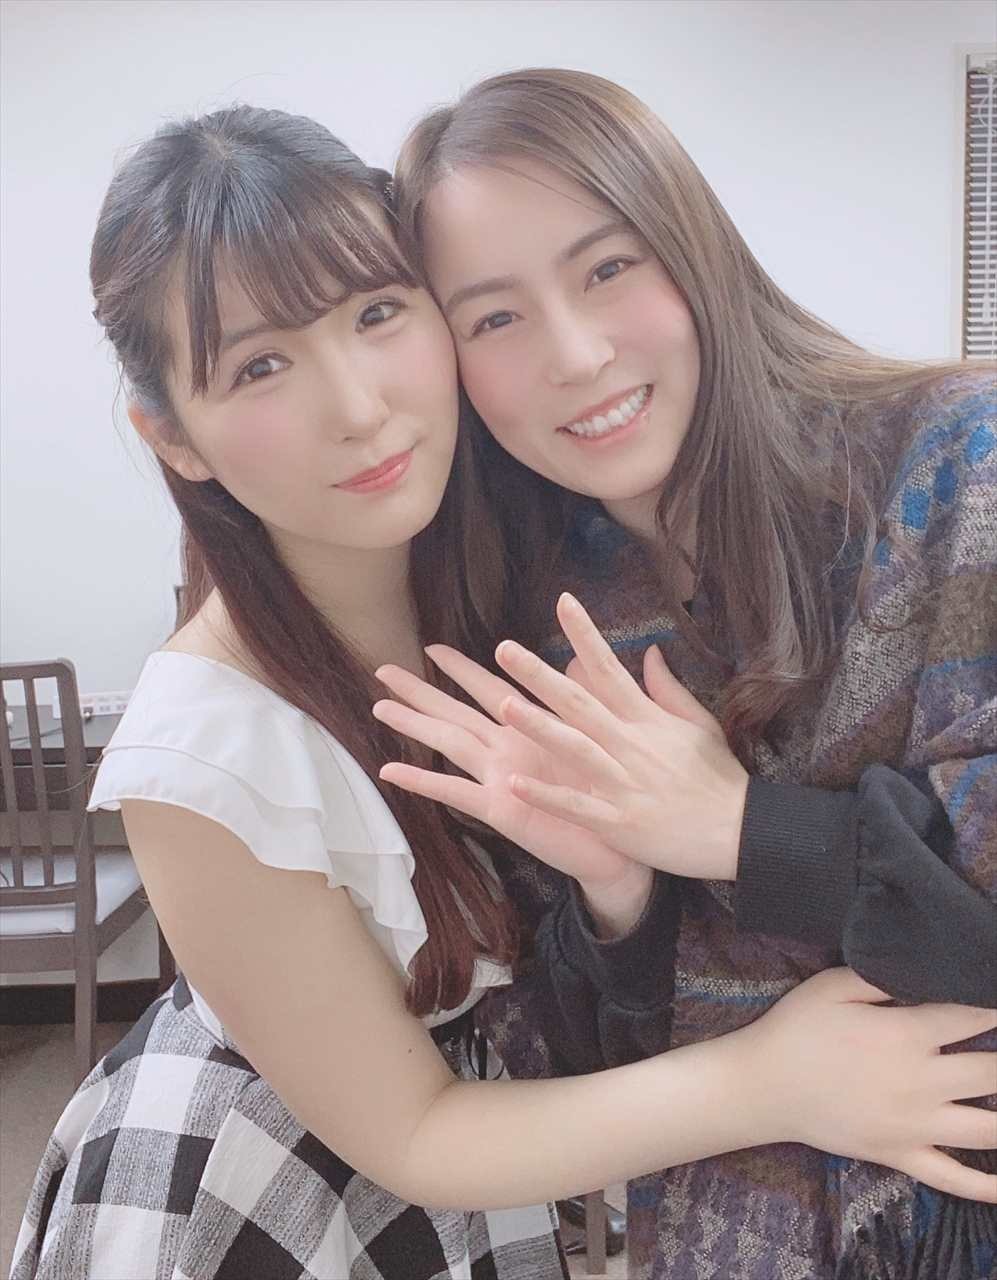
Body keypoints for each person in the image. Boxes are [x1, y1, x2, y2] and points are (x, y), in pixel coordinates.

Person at [10, 104, 994, 1280]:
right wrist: (765, 1077)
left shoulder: (528, 571)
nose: (358, 404)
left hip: (529, 1170)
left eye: (377, 315)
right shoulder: (204, 747)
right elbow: (414, 1131)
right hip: (267, 1194)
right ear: (173, 437)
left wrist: (632, 877)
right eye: (262, 365)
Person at [370, 67, 997, 1279]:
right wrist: (616, 893)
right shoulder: (534, 623)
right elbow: (568, 1068)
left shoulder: (957, 461)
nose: (574, 353)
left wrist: (742, 830)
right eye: (492, 319)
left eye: (608, 267)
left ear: (693, 248)